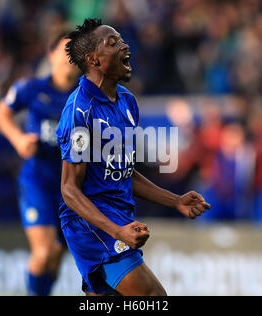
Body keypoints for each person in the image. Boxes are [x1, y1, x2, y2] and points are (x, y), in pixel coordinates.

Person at [56, 18, 211, 296]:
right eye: (113, 43)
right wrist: (116, 231)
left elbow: (124, 170)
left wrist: (175, 201)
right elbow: (69, 189)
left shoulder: (127, 101)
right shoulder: (79, 112)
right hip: (91, 225)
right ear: (95, 60)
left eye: (121, 39)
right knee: (154, 297)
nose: (125, 45)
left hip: (116, 219)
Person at [0, 33, 79, 296]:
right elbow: (2, 113)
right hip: (38, 182)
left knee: (56, 256)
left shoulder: (89, 97)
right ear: (51, 54)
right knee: (45, 251)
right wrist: (19, 139)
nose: (70, 57)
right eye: (65, 50)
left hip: (74, 189)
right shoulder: (31, 89)